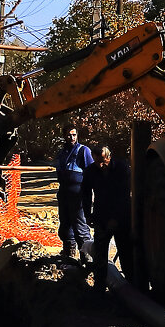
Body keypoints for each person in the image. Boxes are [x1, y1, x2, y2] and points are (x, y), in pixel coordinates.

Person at [81, 145, 133, 292]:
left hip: (121, 216)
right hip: (101, 216)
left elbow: (124, 196)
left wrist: (116, 219)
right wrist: (87, 215)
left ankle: (132, 286)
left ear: (109, 157)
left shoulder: (122, 169)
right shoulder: (91, 171)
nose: (101, 165)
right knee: (100, 254)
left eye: (103, 161)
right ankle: (99, 288)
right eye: (97, 162)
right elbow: (85, 193)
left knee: (126, 252)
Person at [54, 125, 93, 259]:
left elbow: (91, 173)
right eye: (69, 135)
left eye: (74, 135)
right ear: (64, 135)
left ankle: (86, 256)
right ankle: (69, 253)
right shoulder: (62, 152)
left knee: (80, 226)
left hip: (78, 195)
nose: (72, 137)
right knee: (65, 224)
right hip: (64, 192)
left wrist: (89, 195)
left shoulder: (83, 151)